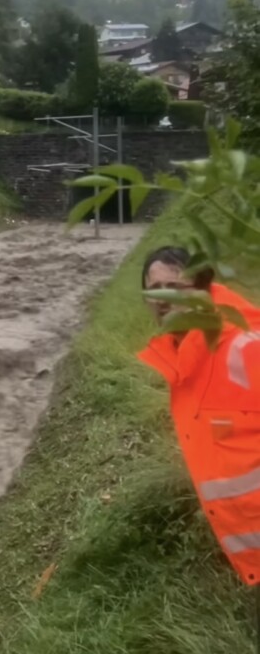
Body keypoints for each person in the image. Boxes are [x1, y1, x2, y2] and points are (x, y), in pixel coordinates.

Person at [139, 246, 260, 586]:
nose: (163, 300)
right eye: (154, 289)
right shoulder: (185, 360)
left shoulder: (244, 349)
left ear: (203, 290)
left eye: (175, 288)